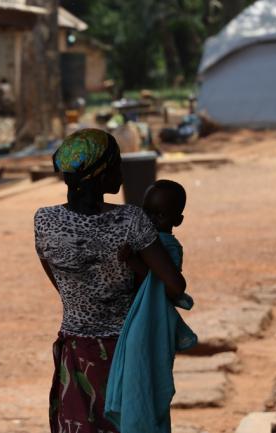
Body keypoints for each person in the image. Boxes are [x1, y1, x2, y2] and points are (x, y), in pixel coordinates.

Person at [33, 129, 186, 433]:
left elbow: (59, 283)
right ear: (101, 175)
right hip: (127, 352)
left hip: (76, 351)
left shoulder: (44, 221)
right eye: (117, 166)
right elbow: (175, 286)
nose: (121, 173)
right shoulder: (131, 221)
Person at [105, 179, 197, 433]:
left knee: (146, 379)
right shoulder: (141, 239)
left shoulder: (168, 247)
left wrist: (135, 263)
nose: (152, 220)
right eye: (147, 212)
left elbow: (165, 286)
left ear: (177, 220)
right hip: (137, 318)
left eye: (160, 215)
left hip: (152, 321)